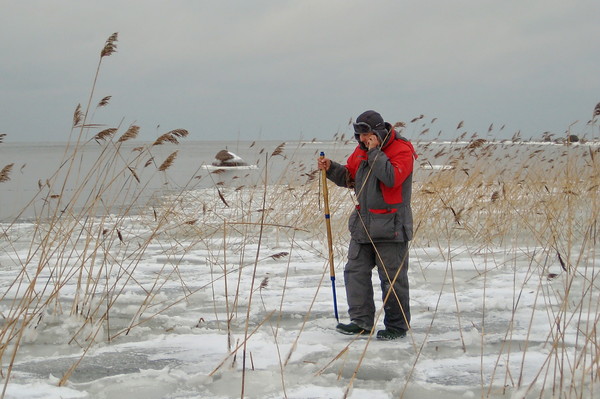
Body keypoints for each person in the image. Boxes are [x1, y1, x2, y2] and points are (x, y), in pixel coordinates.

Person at [317, 110, 417, 340]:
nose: (362, 140)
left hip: (392, 225)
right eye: (359, 135)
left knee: (392, 279)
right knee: (355, 272)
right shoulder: (361, 151)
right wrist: (331, 168)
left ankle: (397, 327)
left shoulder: (402, 150)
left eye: (367, 134)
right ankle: (361, 322)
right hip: (363, 224)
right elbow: (350, 178)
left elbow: (392, 178)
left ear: (379, 132)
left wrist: (375, 153)